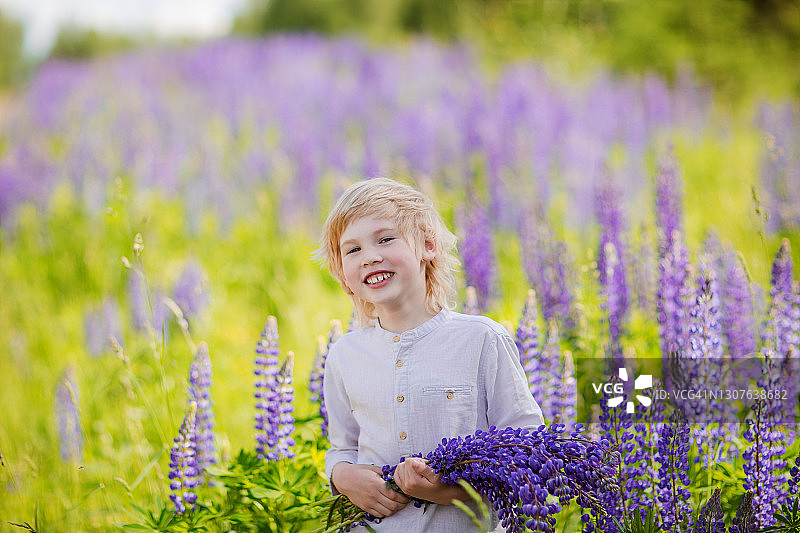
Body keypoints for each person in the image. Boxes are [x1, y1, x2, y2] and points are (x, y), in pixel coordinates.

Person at [316, 177, 544, 532]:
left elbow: (528, 453)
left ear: (428, 244)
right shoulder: (345, 355)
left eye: (386, 239)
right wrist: (342, 476)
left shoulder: (481, 339)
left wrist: (452, 490)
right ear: (343, 274)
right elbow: (342, 447)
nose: (370, 256)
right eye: (352, 249)